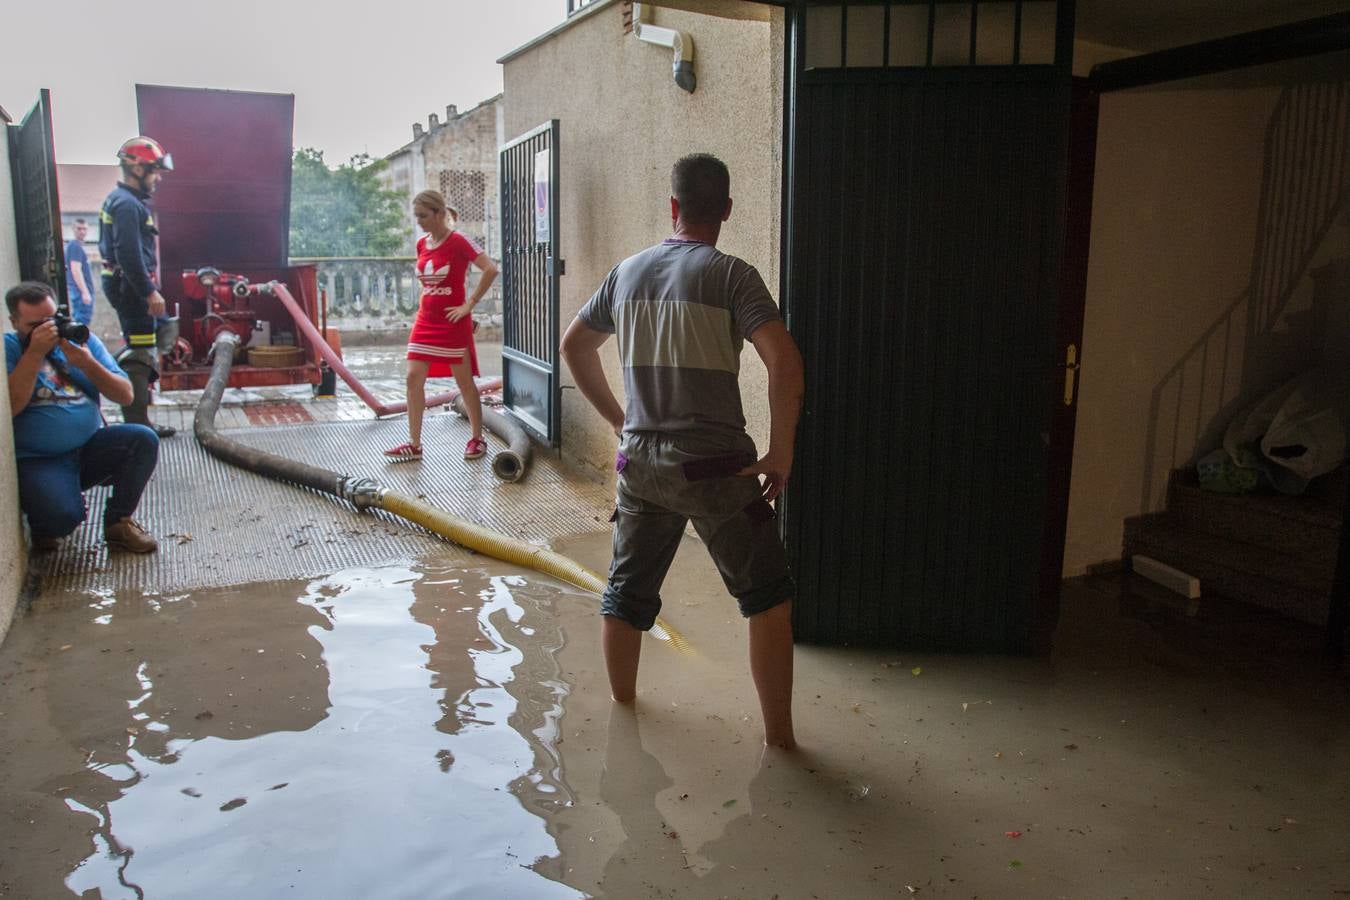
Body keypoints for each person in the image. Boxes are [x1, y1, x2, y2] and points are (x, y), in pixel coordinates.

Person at [559, 153, 805, 749]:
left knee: (626, 593)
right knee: (768, 599)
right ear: (725, 210)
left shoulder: (626, 273)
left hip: (641, 465)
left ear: (672, 207)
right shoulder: (734, 277)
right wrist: (780, 453)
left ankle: (626, 714)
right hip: (719, 467)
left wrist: (623, 423)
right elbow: (785, 362)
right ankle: (780, 741)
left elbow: (574, 346)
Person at [6, 281, 160, 554]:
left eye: (51, 321)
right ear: (14, 322)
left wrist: (87, 362)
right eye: (35, 326)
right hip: (40, 459)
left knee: (143, 439)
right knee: (63, 518)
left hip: (89, 448)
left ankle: (118, 522)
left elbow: (126, 396)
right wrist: (34, 353)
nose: (47, 331)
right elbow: (11, 407)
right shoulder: (10, 349)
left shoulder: (80, 340)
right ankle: (49, 517)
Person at [384, 189, 499, 462]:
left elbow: (490, 268)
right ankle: (414, 443)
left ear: (439, 213)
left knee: (464, 382)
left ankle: (476, 438)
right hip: (425, 320)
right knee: (413, 377)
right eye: (416, 216)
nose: (419, 221)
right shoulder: (422, 244)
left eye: (423, 215)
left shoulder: (458, 240)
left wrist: (469, 305)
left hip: (452, 321)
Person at [99, 136, 176, 438]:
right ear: (136, 167)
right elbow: (128, 254)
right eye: (155, 171)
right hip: (131, 290)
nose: (158, 178)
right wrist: (148, 291)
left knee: (148, 345)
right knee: (140, 355)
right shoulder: (127, 206)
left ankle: (140, 421)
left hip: (127, 286)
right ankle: (138, 426)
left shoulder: (125, 202)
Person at [65, 218, 96, 327]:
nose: (82, 232)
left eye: (84, 229)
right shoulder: (75, 246)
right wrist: (85, 292)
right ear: (73, 229)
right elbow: (75, 269)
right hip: (80, 292)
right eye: (79, 229)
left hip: (80, 291)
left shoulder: (77, 246)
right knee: (81, 324)